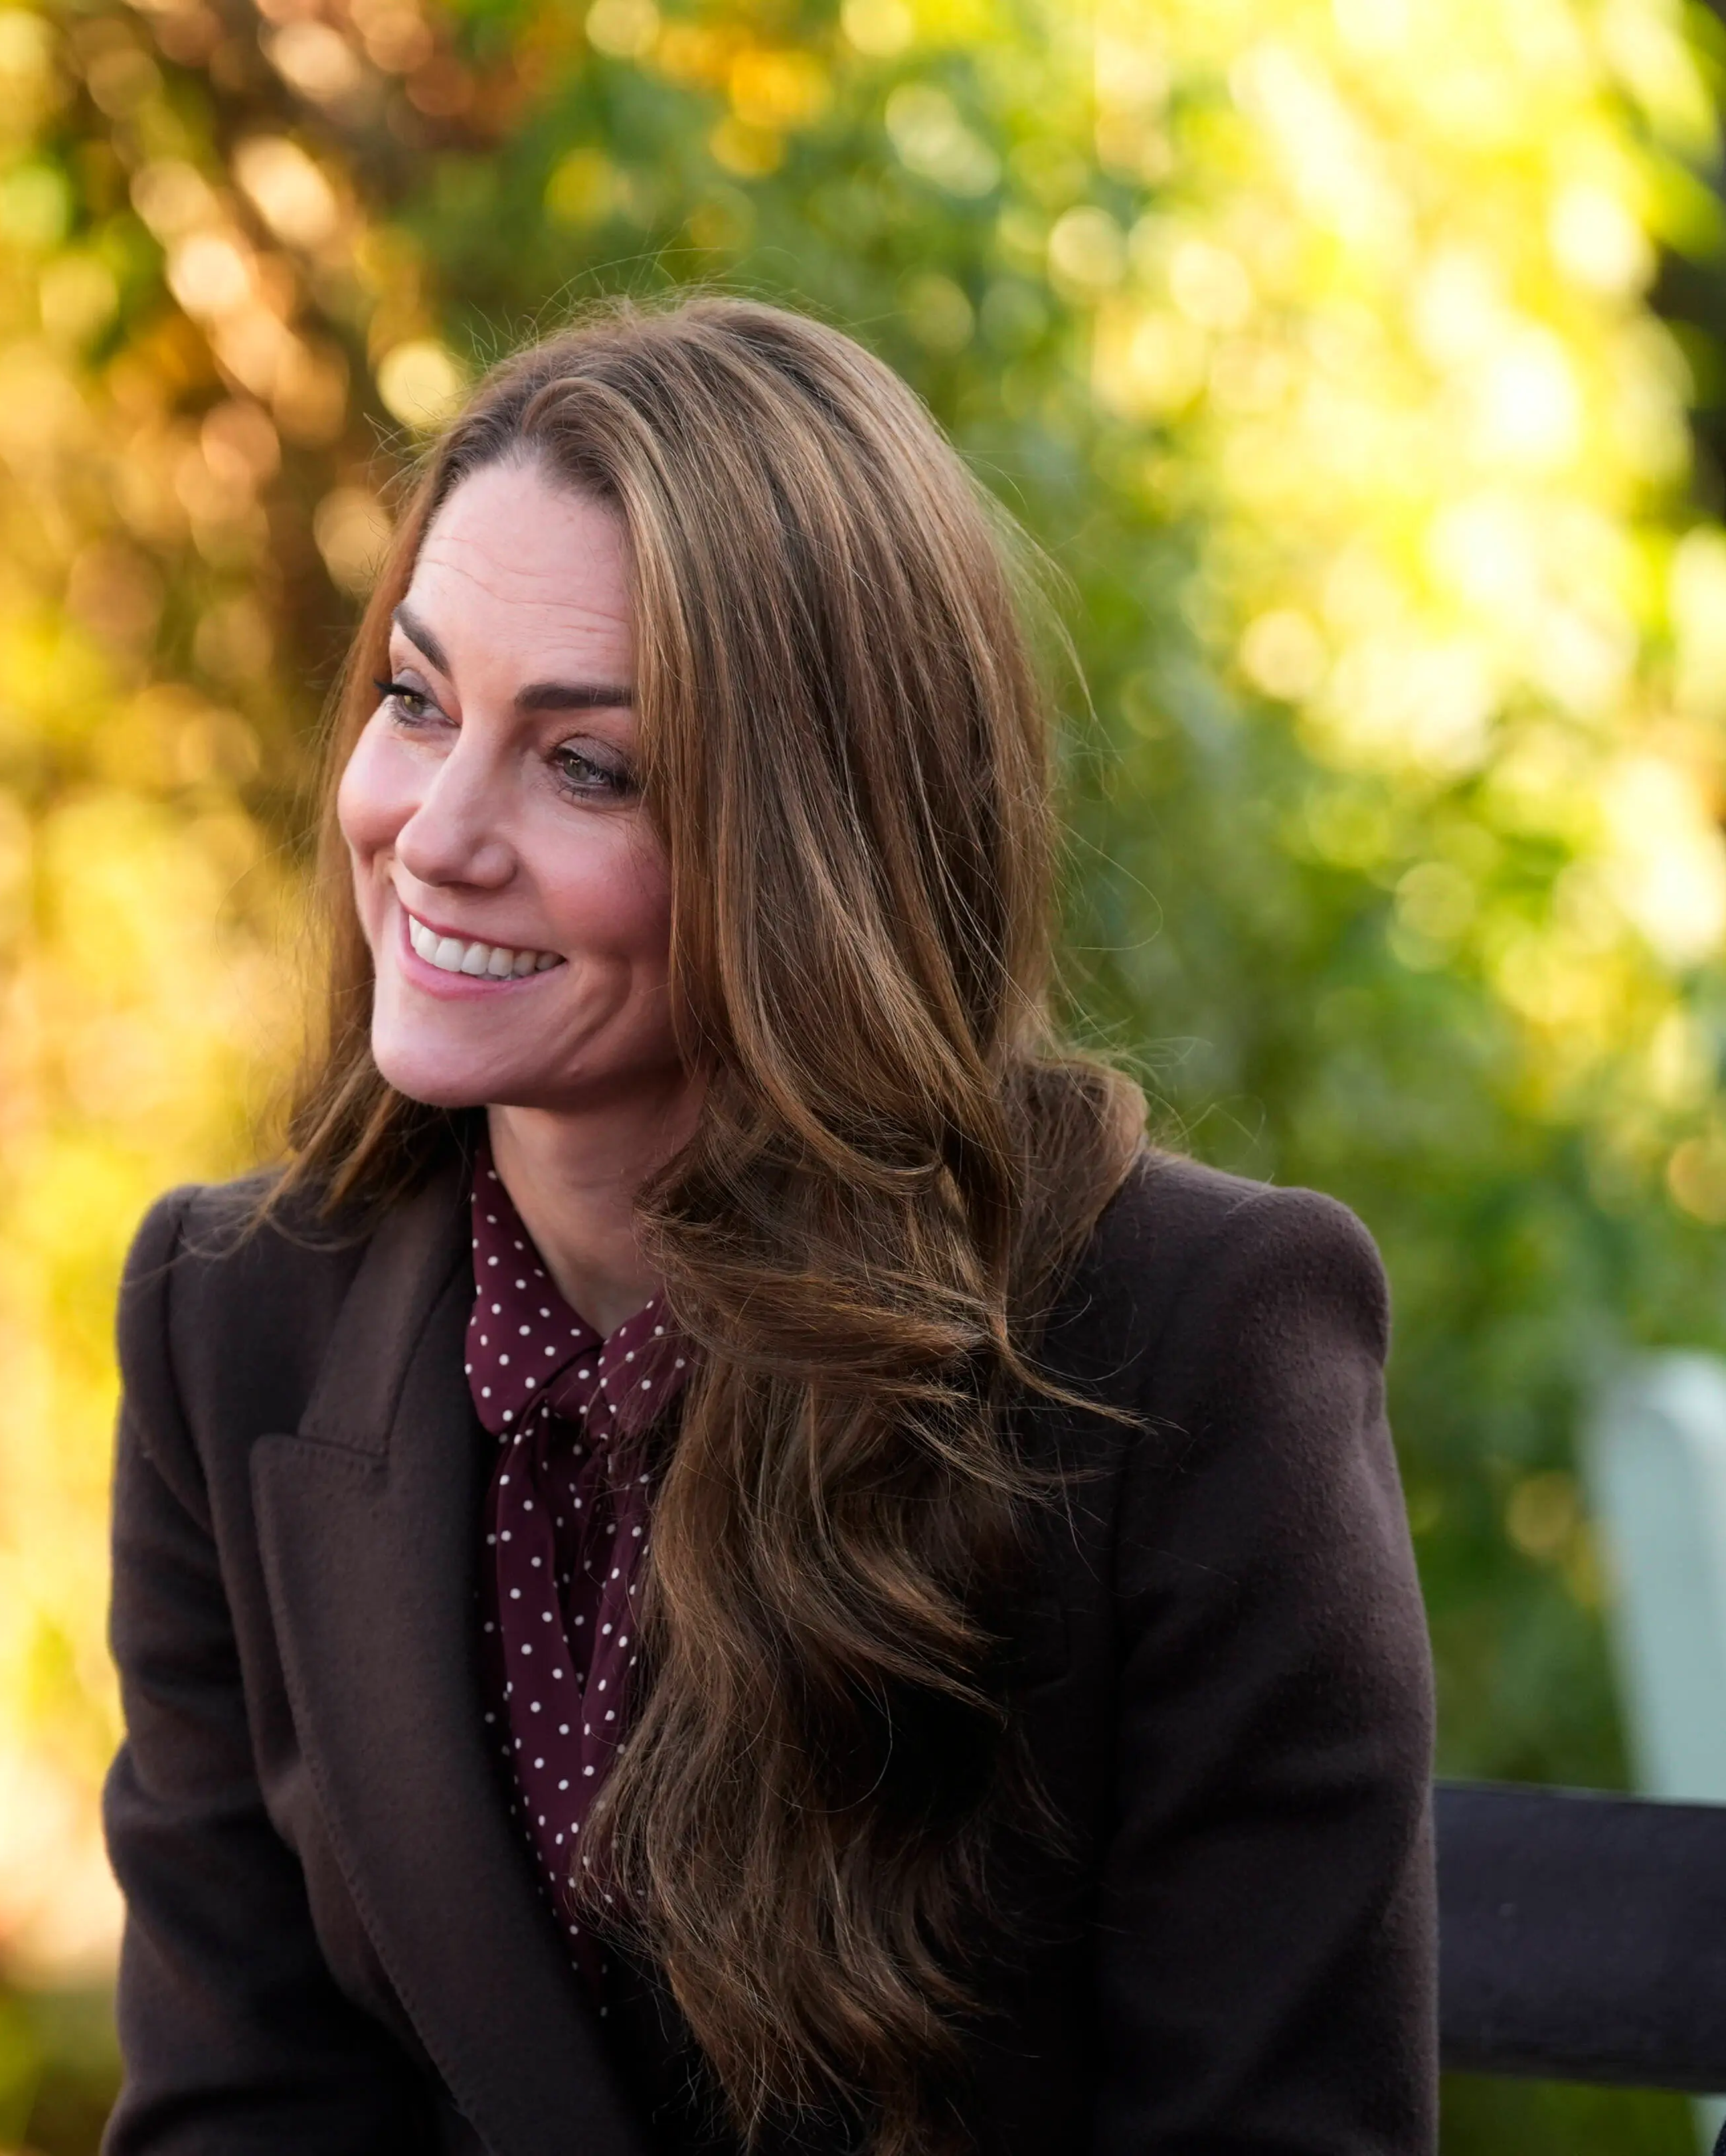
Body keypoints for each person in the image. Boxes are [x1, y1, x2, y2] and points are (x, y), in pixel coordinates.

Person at [98, 296, 1436, 2155]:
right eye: (418, 700)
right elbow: (246, 2110)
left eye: (588, 765)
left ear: (814, 846)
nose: (434, 828)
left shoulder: (1197, 1341)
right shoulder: (231, 1321)